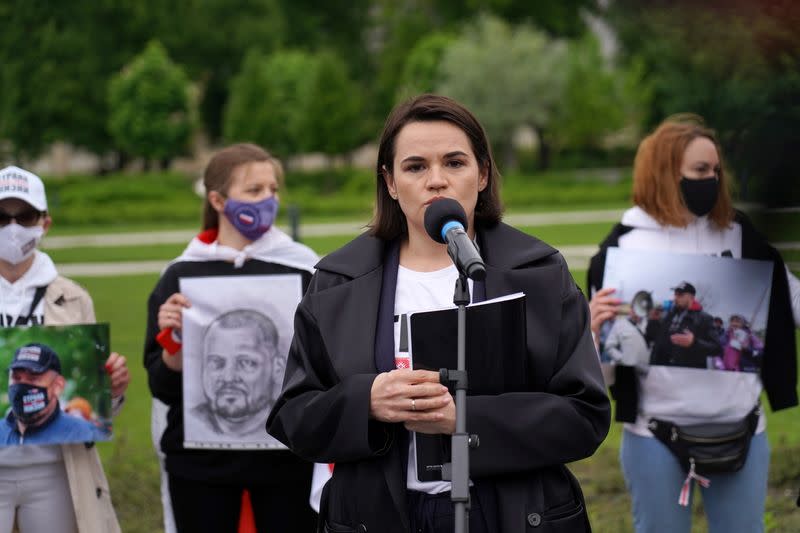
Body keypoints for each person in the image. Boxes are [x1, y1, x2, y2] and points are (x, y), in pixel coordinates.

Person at [267, 94, 611, 532]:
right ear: (390, 182)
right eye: (415, 167)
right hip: (382, 516)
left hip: (513, 515)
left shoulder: (539, 274)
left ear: (482, 174)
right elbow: (294, 417)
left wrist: (466, 420)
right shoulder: (337, 281)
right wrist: (366, 401)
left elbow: (585, 416)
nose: (436, 181)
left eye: (454, 163)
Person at [587, 115, 799, 532]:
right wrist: (594, 332)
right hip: (655, 435)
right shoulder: (622, 246)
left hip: (743, 429)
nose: (712, 180)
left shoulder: (740, 235)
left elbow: (790, 298)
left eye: (716, 171)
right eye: (700, 171)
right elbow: (604, 373)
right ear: (665, 172)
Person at [143, 143, 319, 532]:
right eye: (254, 191)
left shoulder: (303, 269)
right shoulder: (179, 276)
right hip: (200, 468)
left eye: (272, 190)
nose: (268, 200)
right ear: (218, 200)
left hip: (285, 463)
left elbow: (323, 367)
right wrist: (174, 345)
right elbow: (162, 385)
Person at [0, 165, 129, 532]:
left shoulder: (72, 297)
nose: (12, 228)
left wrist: (112, 390)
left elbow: (96, 404)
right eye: (1, 217)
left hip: (54, 471)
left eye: (24, 216)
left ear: (45, 223)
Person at [191, 309, 280, 439]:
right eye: (216, 363)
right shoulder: (192, 420)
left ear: (277, 368)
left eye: (246, 363)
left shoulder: (291, 425)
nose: (229, 378)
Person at [1, 344, 106, 445]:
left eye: (33, 378)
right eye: (16, 378)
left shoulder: (85, 435)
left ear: (58, 386)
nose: (21, 386)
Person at [649, 281, 721, 369]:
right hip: (662, 371)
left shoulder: (705, 318)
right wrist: (653, 321)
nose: (675, 298)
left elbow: (717, 348)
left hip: (687, 374)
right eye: (675, 294)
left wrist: (694, 343)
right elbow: (655, 339)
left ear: (691, 297)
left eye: (680, 295)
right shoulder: (669, 315)